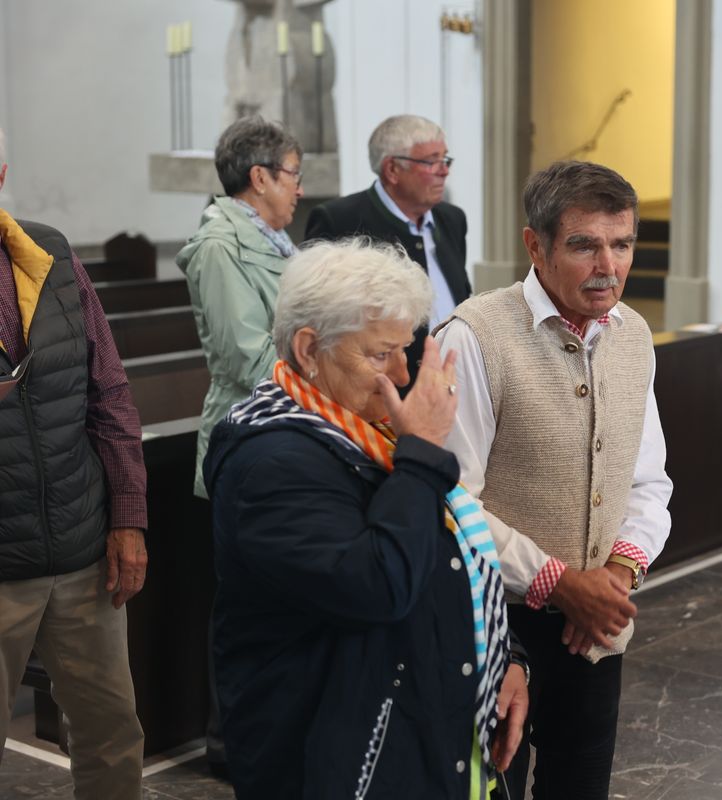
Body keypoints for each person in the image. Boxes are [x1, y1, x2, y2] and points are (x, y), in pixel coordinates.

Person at [204, 239, 529, 799]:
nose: (402, 372)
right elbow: (379, 585)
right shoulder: (272, 463)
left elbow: (449, 558)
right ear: (309, 349)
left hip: (421, 736)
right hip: (341, 761)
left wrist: (507, 658)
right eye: (380, 355)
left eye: (406, 350)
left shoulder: (370, 436)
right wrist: (423, 451)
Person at [436, 160, 672, 799]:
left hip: (596, 625)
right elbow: (451, 497)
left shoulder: (634, 335)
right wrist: (560, 583)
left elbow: (647, 481)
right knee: (489, 790)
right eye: (584, 245)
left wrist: (617, 576)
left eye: (622, 244)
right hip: (494, 623)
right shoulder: (475, 334)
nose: (609, 265)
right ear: (534, 246)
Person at [0, 125, 147, 798]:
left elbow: (109, 391)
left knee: (112, 735)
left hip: (82, 551)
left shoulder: (47, 252)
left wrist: (128, 519)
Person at [177, 115, 304, 499]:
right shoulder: (220, 247)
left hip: (288, 426)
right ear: (261, 178)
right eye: (294, 174)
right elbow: (248, 359)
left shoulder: (275, 241)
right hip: (252, 434)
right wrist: (330, 380)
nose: (300, 189)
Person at [306, 114, 470, 383]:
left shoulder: (452, 219)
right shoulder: (339, 220)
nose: (444, 170)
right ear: (392, 170)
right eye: (432, 161)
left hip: (455, 381)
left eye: (445, 159)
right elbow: (321, 319)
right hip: (386, 390)